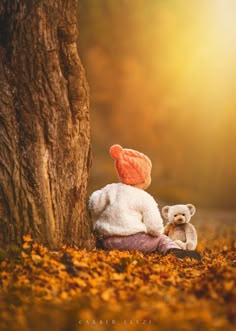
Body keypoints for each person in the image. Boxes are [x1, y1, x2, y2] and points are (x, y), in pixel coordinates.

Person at [89, 144, 201, 260]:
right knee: (161, 239)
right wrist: (155, 233)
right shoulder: (145, 197)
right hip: (134, 242)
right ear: (143, 178)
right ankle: (174, 251)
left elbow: (94, 205)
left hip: (108, 241)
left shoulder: (110, 189)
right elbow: (155, 228)